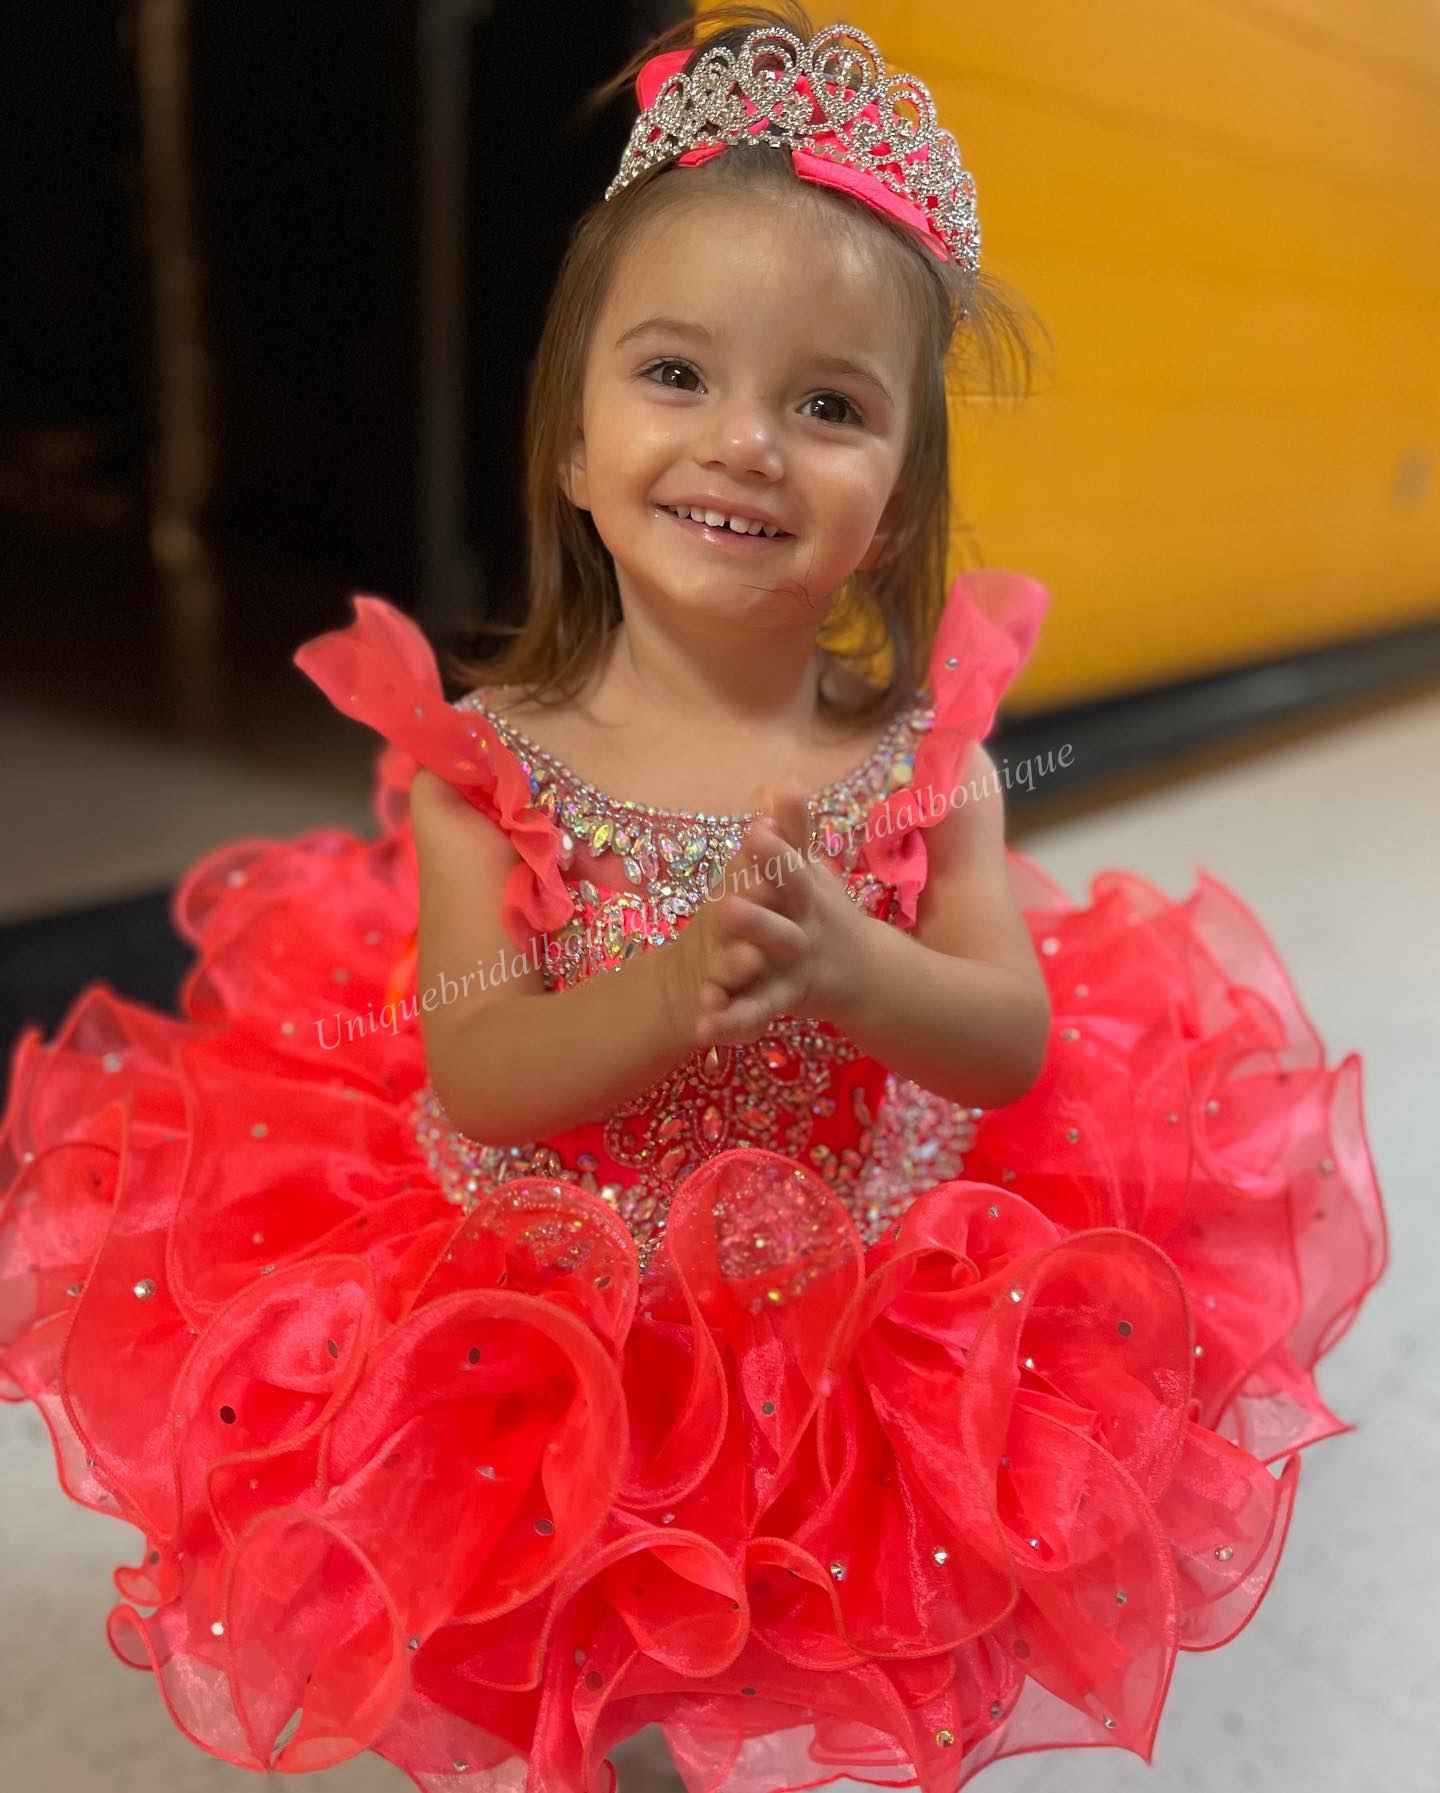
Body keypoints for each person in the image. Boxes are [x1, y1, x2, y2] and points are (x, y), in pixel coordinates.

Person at [0, 8, 1386, 1791]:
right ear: (569, 448)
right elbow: (478, 1072)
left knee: (792, 1591)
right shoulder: (482, 771)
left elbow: (1007, 1045)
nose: (746, 442)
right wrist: (663, 995)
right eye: (676, 374)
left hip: (856, 1292)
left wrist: (854, 970)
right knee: (582, 1575)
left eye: (827, 405)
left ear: (889, 509)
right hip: (549, 1288)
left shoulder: (928, 767)